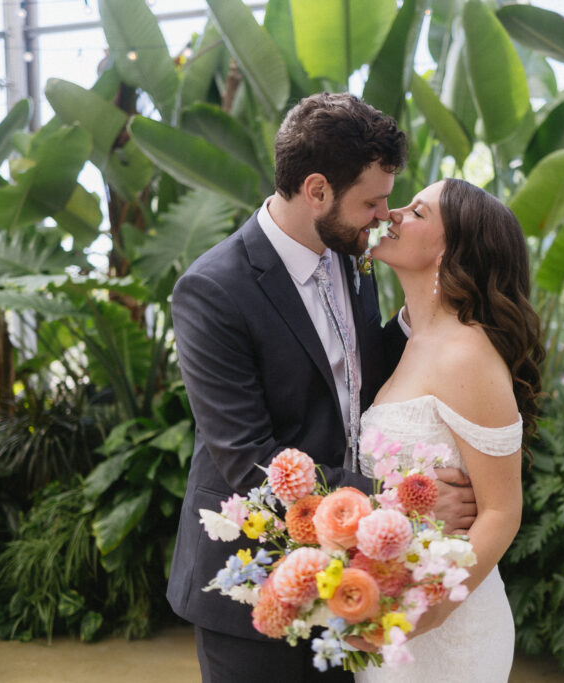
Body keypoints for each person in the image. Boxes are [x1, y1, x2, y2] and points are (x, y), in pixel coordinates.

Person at [166, 93, 478, 683]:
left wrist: (425, 315)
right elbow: (250, 460)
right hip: (256, 585)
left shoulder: (349, 251)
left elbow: (361, 374)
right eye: (372, 202)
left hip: (356, 578)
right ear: (316, 191)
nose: (383, 217)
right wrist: (402, 499)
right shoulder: (212, 289)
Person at [354, 178, 544, 682]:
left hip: (447, 628)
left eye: (416, 212)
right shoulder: (410, 341)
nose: (391, 214)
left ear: (451, 249)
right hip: (391, 610)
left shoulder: (467, 353)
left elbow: (502, 511)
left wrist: (431, 607)